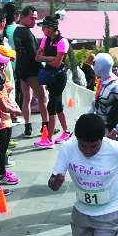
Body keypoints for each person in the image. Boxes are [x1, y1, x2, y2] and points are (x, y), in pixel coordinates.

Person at [35, 14, 71, 148]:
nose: (42, 30)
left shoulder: (63, 42)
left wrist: (47, 58)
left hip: (59, 77)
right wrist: (51, 58)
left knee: (52, 106)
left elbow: (57, 64)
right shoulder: (45, 40)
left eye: (44, 27)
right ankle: (66, 132)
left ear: (50, 28)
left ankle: (48, 139)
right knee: (59, 105)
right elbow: (37, 58)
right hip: (50, 76)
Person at [13, 6, 46, 138]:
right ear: (23, 16)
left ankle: (27, 126)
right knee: (43, 98)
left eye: (35, 19)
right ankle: (46, 126)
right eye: (32, 18)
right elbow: (34, 55)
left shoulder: (16, 31)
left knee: (27, 98)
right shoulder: (26, 33)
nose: (34, 21)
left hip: (21, 69)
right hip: (32, 70)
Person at [88, 52, 118, 140]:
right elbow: (96, 104)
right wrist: (84, 119)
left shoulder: (115, 86)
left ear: (101, 67)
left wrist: (117, 129)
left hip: (110, 133)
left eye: (95, 64)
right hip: (99, 130)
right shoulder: (102, 83)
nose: (93, 67)